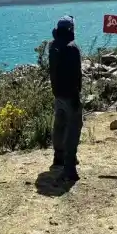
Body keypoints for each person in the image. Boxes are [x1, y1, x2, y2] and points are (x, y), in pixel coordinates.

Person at [48, 15, 83, 181]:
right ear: (71, 29)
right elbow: (75, 75)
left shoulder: (53, 46)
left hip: (58, 93)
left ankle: (58, 157)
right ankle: (69, 168)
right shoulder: (72, 48)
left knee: (59, 125)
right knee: (73, 129)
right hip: (70, 95)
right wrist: (77, 95)